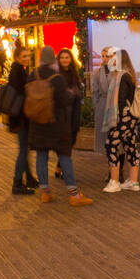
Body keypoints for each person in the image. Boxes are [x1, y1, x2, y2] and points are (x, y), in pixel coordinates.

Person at [27, 47, 92, 207]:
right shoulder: (57, 78)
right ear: (53, 60)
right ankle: (74, 195)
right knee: (65, 157)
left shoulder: (32, 76)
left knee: (42, 156)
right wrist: (70, 96)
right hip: (57, 125)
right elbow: (63, 102)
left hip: (38, 123)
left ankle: (45, 193)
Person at [103, 48, 140, 193]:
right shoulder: (129, 75)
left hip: (123, 117)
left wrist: (117, 119)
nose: (111, 60)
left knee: (111, 144)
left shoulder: (122, 76)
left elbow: (121, 100)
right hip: (132, 118)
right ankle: (133, 181)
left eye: (113, 58)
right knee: (130, 146)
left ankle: (114, 181)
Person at [7, 45, 39, 195]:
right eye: (24, 56)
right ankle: (17, 182)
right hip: (20, 118)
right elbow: (22, 94)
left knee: (24, 149)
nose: (27, 58)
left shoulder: (19, 70)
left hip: (20, 117)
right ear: (18, 58)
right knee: (23, 151)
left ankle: (30, 178)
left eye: (28, 55)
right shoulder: (18, 72)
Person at [55, 48, 82, 180]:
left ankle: (59, 168)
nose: (64, 60)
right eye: (62, 58)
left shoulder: (74, 74)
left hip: (74, 114)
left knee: (70, 142)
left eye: (67, 57)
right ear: (58, 60)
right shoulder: (57, 75)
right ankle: (64, 170)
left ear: (71, 59)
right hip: (63, 115)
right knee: (66, 144)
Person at [90, 46, 117, 156]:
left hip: (114, 105)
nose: (105, 58)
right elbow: (95, 91)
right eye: (103, 56)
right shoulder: (97, 72)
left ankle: (117, 166)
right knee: (103, 137)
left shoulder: (117, 71)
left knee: (114, 135)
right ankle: (111, 164)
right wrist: (96, 106)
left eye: (108, 56)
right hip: (102, 105)